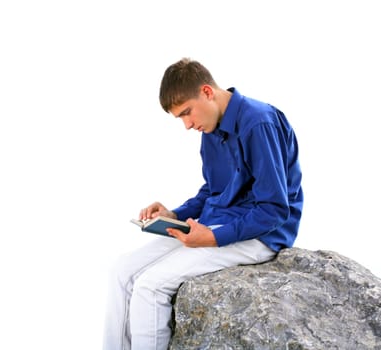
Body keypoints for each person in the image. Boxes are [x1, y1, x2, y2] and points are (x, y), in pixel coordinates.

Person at [102, 58, 303, 350]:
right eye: (179, 118)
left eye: (186, 113)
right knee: (121, 271)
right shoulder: (210, 129)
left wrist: (211, 237)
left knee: (151, 286)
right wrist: (174, 215)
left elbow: (274, 209)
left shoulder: (258, 122)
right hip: (216, 222)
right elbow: (212, 190)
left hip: (260, 234)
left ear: (207, 92)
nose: (186, 125)